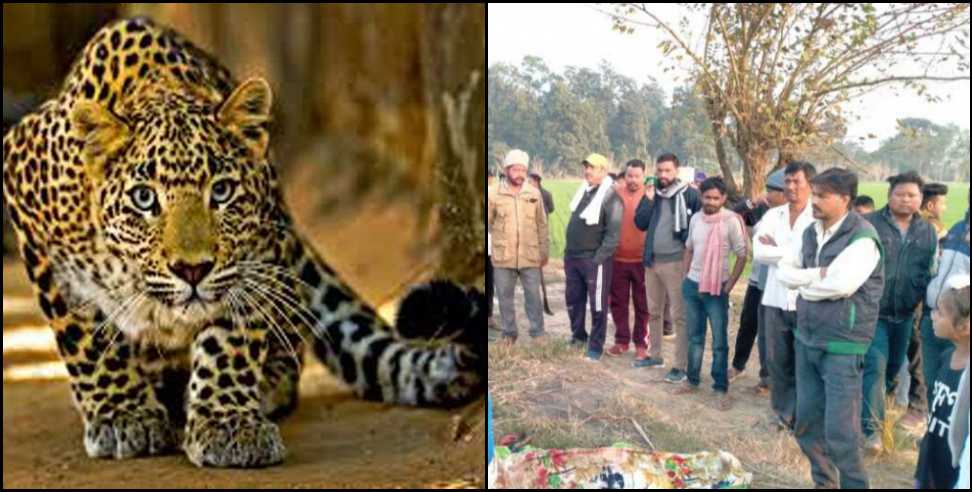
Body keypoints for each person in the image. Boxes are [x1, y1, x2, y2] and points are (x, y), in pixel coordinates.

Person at [778, 168, 884, 489]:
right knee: (807, 425)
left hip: (843, 346)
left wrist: (806, 282)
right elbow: (784, 271)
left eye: (823, 196)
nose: (815, 201)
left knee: (841, 433)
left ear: (845, 200)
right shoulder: (810, 231)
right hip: (807, 339)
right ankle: (824, 484)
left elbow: (841, 285)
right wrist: (817, 275)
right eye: (815, 193)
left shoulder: (863, 237)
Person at [861, 171, 937, 453]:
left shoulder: (926, 232)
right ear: (889, 196)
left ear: (921, 199)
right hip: (874, 312)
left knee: (893, 370)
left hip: (906, 314)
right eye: (900, 194)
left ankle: (882, 413)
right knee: (876, 366)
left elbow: (928, 270)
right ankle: (871, 432)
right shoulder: (869, 224)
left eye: (912, 195)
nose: (905, 200)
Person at [672, 177, 748, 411]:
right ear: (701, 196)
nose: (711, 202)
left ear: (724, 198)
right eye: (707, 197)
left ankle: (720, 387)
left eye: (716, 198)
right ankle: (692, 380)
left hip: (717, 289)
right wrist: (685, 277)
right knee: (695, 337)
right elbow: (688, 249)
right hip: (693, 286)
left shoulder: (731, 221)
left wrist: (729, 285)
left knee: (719, 341)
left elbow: (742, 254)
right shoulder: (695, 218)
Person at [752, 161, 817, 430]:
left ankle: (804, 418)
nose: (790, 187)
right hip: (775, 300)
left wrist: (780, 251)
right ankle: (782, 414)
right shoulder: (772, 215)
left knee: (805, 363)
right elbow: (759, 252)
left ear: (810, 185)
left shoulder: (818, 217)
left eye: (796, 182)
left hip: (807, 301)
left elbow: (814, 258)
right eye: (787, 182)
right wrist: (794, 254)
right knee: (777, 362)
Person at [633, 153, 703, 383]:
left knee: (679, 315)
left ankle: (680, 366)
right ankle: (655, 356)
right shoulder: (654, 194)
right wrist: (649, 198)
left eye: (668, 171)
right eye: (660, 170)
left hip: (676, 263)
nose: (663, 175)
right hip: (652, 262)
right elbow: (640, 223)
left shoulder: (690, 195)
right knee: (653, 312)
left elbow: (698, 228)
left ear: (677, 171)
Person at [729, 169, 789, 391]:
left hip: (778, 283)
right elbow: (734, 213)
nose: (768, 194)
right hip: (756, 280)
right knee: (748, 323)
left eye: (772, 191)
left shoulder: (794, 219)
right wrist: (751, 202)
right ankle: (738, 365)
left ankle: (767, 377)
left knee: (770, 332)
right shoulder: (762, 211)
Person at [564, 153, 623, 361]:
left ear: (603, 171)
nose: (587, 171)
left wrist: (598, 259)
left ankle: (596, 346)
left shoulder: (610, 197)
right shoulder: (584, 191)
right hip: (572, 257)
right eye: (586, 166)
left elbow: (613, 236)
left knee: (597, 304)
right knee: (573, 298)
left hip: (594, 259)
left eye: (593, 167)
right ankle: (578, 336)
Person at [487, 149, 550, 344]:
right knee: (505, 297)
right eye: (516, 169)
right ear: (506, 170)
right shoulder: (493, 193)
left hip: (530, 255)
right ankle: (509, 334)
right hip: (503, 256)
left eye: (523, 169)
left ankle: (538, 333)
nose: (520, 173)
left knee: (533, 296)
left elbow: (542, 223)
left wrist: (544, 250)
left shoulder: (534, 193)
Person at [914, 275, 969, 489]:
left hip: (957, 474)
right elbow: (934, 421)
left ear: (965, 326)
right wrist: (921, 471)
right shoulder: (946, 358)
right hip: (932, 465)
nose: (933, 316)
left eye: (941, 312)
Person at [921, 195, 969, 410]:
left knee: (956, 388)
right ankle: (934, 425)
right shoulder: (958, 228)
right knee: (933, 382)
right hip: (934, 316)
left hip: (961, 324)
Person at [607, 160, 650, 360]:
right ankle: (621, 341)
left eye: (636, 176)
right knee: (618, 302)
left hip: (642, 260)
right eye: (629, 176)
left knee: (643, 303)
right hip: (618, 258)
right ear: (625, 176)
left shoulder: (650, 196)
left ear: (643, 176)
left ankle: (641, 343)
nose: (632, 180)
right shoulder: (615, 194)